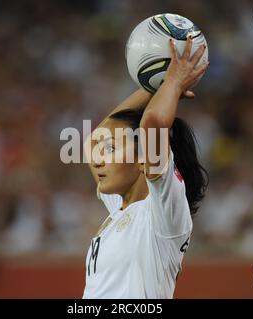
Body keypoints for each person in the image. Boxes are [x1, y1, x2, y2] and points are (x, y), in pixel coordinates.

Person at [82, 36, 209, 298]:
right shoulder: (118, 208)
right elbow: (98, 136)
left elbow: (152, 124)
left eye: (111, 149)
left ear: (143, 158)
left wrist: (172, 82)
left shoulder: (163, 213)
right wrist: (158, 82)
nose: (97, 158)